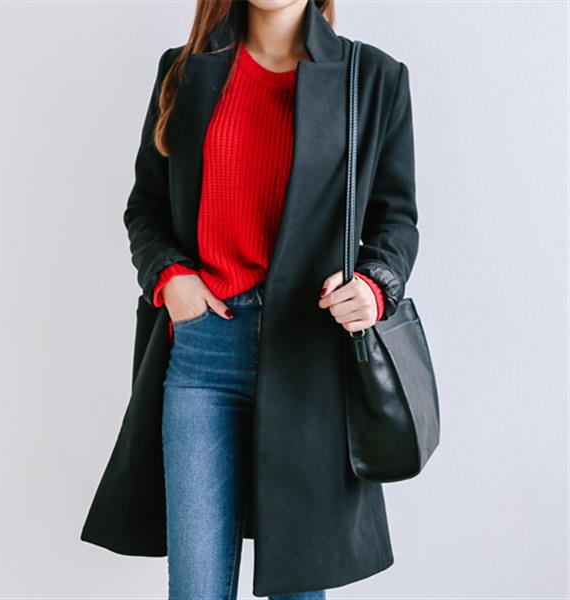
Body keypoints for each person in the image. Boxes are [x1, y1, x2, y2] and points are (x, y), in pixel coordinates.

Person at [81, 0, 419, 597]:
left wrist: (374, 287)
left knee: (299, 586)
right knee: (197, 588)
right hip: (203, 357)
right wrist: (169, 276)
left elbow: (395, 222)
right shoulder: (184, 70)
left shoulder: (372, 78)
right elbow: (146, 209)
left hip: (311, 360)